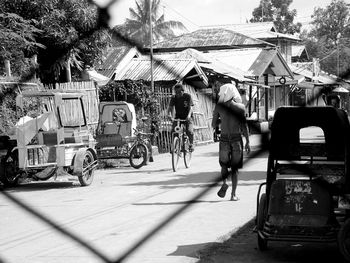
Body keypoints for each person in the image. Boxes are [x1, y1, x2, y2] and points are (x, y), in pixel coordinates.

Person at [211, 79, 250, 201]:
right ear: (234, 93)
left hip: (223, 138)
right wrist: (248, 142)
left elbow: (213, 125)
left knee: (223, 165)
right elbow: (244, 126)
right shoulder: (240, 108)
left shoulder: (219, 107)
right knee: (234, 168)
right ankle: (233, 195)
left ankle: (224, 182)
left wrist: (222, 120)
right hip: (236, 139)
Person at [167, 83, 194, 152]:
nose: (177, 94)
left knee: (189, 131)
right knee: (174, 131)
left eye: (179, 92)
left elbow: (191, 108)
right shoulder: (174, 97)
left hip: (187, 117)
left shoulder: (188, 96)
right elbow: (170, 108)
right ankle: (174, 146)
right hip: (178, 117)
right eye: (176, 92)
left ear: (183, 91)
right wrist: (169, 115)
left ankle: (191, 144)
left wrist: (188, 116)